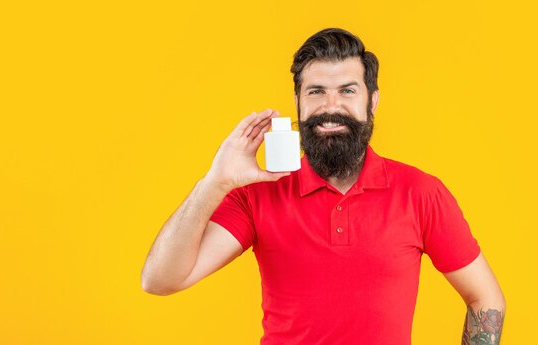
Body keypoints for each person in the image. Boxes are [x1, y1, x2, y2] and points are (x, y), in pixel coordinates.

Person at [141, 28, 506, 345]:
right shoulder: (258, 193)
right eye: (316, 92)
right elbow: (160, 280)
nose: (331, 106)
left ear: (372, 101)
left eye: (347, 90)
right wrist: (214, 182)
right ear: (297, 103)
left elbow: (485, 298)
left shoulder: (420, 193)